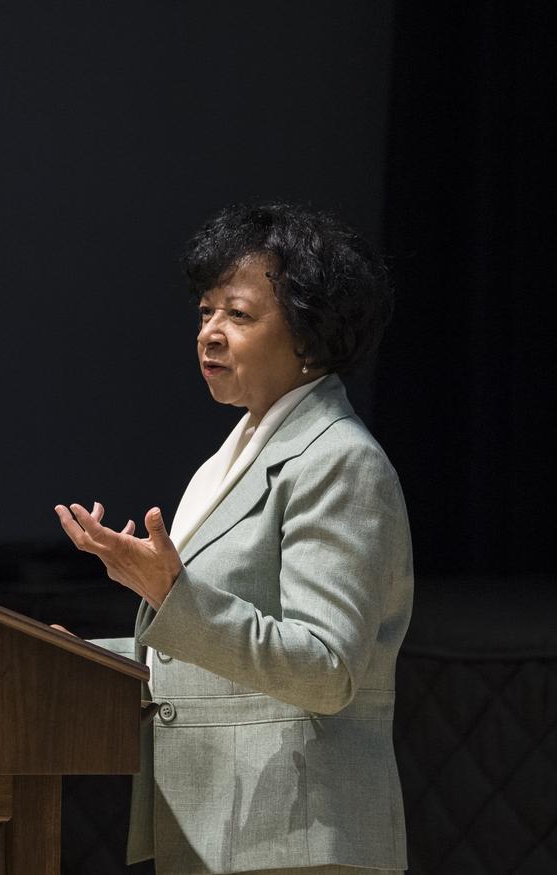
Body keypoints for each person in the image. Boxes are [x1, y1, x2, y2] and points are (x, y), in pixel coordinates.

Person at [56, 203, 412, 875]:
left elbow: (326, 668)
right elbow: (206, 654)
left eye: (238, 315)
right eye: (204, 312)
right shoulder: (235, 454)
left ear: (311, 333)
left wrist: (171, 592)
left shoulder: (338, 460)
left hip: (295, 839)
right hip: (223, 831)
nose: (209, 334)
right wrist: (84, 662)